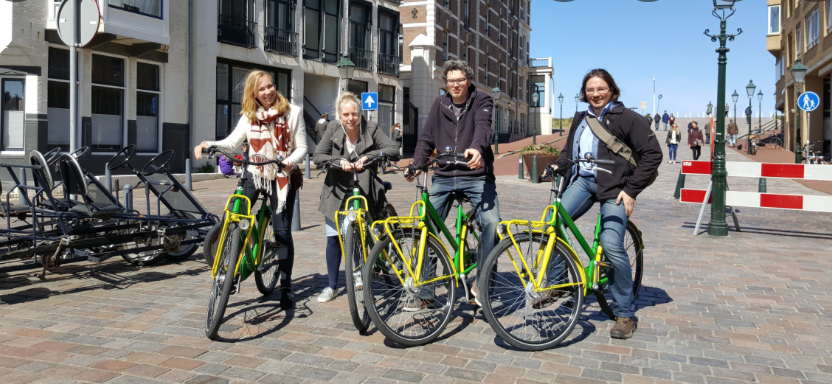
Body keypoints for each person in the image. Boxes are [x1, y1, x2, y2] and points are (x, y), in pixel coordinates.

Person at [548, 69, 662, 339]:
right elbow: (568, 153)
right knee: (553, 222)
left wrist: (632, 190)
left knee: (611, 245)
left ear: (612, 90)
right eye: (590, 90)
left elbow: (653, 154)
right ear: (584, 93)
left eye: (601, 89)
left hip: (616, 189)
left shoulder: (628, 118)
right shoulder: (581, 118)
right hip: (584, 182)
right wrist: (556, 164)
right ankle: (558, 283)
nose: (595, 94)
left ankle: (624, 313)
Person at [193, 70, 307, 310]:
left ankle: (285, 286)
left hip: (281, 175)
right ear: (254, 95)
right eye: (262, 89)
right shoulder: (250, 116)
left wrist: (290, 162)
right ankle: (233, 261)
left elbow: (302, 148)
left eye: (270, 86)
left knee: (283, 232)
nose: (268, 92)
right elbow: (232, 141)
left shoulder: (293, 113)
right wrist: (208, 145)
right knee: (235, 216)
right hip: (255, 172)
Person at [408, 60, 500, 307]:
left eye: (460, 80)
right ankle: (426, 292)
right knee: (425, 226)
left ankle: (481, 284)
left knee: (491, 224)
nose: (455, 85)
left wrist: (477, 148)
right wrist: (416, 164)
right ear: (445, 83)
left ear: (468, 80)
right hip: (445, 175)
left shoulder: (481, 100)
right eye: (450, 81)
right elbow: (426, 139)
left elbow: (483, 128)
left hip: (476, 174)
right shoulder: (440, 103)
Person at [312, 92, 398, 303]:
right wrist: (337, 160)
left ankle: (360, 277)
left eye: (355, 114)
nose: (351, 118)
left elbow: (393, 149)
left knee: (359, 237)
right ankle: (332, 287)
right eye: (346, 114)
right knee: (333, 239)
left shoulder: (371, 128)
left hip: (364, 189)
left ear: (360, 113)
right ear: (340, 115)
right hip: (336, 191)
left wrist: (370, 156)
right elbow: (317, 157)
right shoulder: (332, 129)